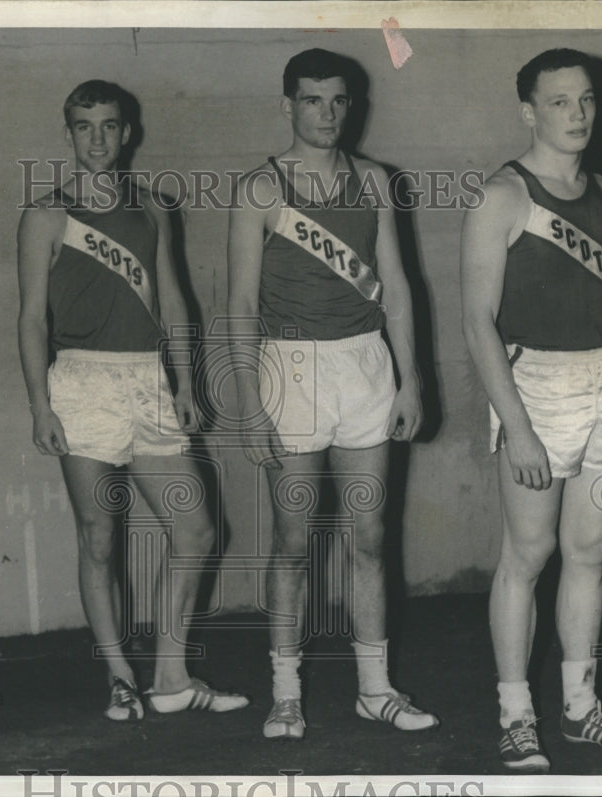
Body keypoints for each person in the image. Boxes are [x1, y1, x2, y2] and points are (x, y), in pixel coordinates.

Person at [17, 79, 248, 721]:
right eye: (84, 126)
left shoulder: (152, 208)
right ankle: (119, 675)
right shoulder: (44, 215)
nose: (97, 138)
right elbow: (32, 318)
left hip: (148, 380)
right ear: (69, 134)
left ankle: (170, 677)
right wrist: (41, 405)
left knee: (197, 527)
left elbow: (174, 299)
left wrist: (185, 381)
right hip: (82, 382)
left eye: (109, 126)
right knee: (99, 535)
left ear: (127, 133)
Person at [227, 48, 438, 740]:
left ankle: (375, 688)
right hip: (290, 371)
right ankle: (285, 691)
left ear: (354, 106)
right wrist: (250, 402)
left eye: (338, 101)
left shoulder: (375, 181)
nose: (326, 114)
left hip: (365, 366)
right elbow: (239, 303)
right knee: (293, 540)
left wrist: (411, 380)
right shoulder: (259, 188)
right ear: (288, 104)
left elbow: (400, 289)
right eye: (312, 100)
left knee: (369, 537)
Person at [460, 48, 602, 772]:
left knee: (591, 553)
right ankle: (516, 713)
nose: (576, 116)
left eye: (586, 101)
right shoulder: (501, 195)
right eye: (559, 103)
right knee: (528, 554)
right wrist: (515, 426)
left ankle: (579, 708)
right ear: (529, 111)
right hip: (535, 391)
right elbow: (477, 319)